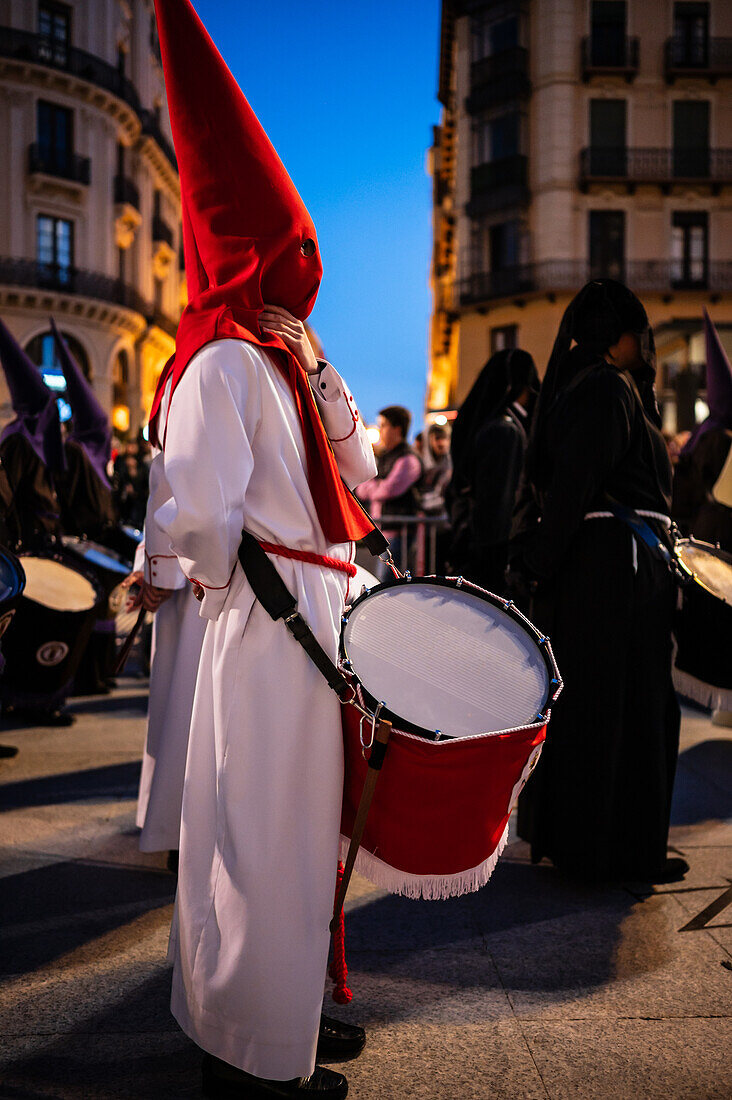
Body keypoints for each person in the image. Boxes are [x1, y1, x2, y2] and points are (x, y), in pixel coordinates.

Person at [147, 2, 379, 1095]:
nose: (309, 267)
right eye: (296, 249)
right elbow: (198, 517)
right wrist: (216, 575)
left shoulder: (281, 360)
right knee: (255, 839)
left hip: (303, 621)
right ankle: (245, 1047)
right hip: (270, 622)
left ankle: (282, 1017)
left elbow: (362, 468)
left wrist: (322, 360)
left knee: (295, 842)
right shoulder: (221, 364)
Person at [512, 278, 684, 884]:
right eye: (638, 333)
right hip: (616, 572)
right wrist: (538, 561)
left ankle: (600, 841)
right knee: (621, 706)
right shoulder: (607, 389)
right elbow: (576, 489)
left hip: (609, 568)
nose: (647, 345)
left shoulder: (596, 390)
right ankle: (612, 848)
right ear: (617, 337)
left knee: (610, 704)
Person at [124, 450, 207, 865]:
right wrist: (159, 572)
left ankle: (180, 826)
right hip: (205, 573)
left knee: (188, 702)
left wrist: (158, 568)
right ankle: (182, 827)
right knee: (188, 703)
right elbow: (174, 473)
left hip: (208, 566)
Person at [448, 348, 539, 593]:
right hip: (494, 557)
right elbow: (498, 504)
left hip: (485, 551)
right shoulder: (505, 430)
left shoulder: (498, 425)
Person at [357, 405, 422, 575]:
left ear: (397, 429)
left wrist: (375, 486)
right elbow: (361, 489)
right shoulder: (386, 457)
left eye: (384, 425)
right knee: (383, 582)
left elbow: (387, 490)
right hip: (382, 532)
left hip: (399, 534)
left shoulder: (408, 459)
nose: (381, 430)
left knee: (387, 585)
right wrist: (376, 487)